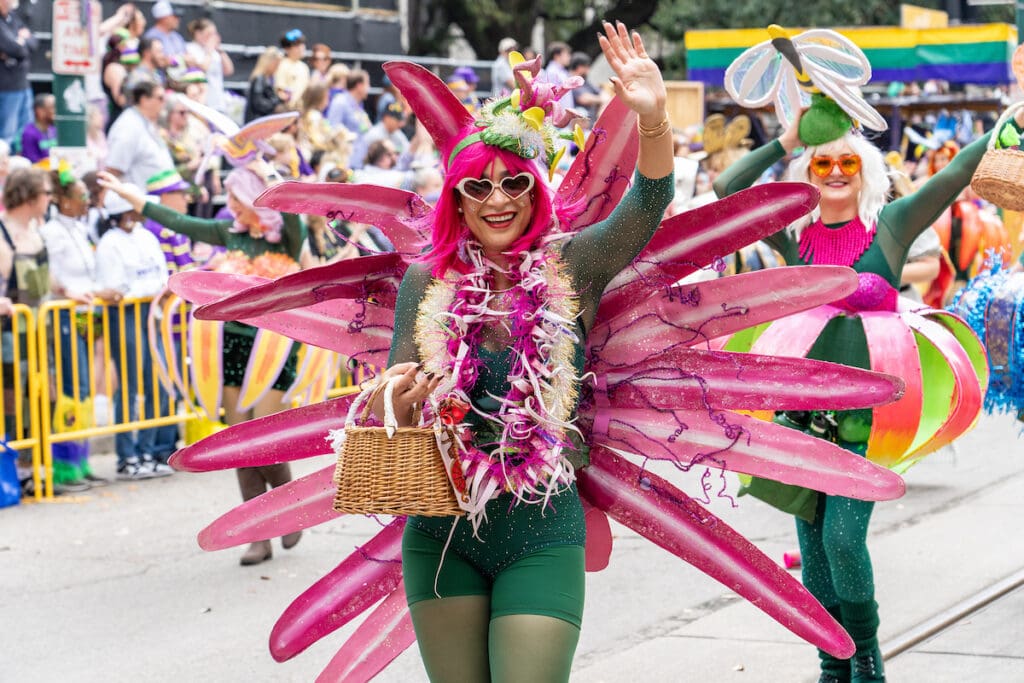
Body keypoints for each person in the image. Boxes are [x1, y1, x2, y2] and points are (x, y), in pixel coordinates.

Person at [378, 21, 673, 681]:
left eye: (513, 183)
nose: (497, 199)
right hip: (441, 530)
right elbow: (392, 395)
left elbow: (650, 200)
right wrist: (399, 393)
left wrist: (652, 118)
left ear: (535, 191)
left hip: (541, 525)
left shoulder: (572, 265)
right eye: (477, 187)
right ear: (457, 200)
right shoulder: (427, 280)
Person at [714, 100, 1024, 683]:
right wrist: (785, 141)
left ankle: (867, 660)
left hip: (869, 422)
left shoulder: (894, 225)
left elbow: (957, 173)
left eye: (848, 163)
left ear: (866, 170)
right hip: (801, 417)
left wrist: (1013, 123)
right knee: (814, 553)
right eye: (822, 163)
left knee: (842, 541)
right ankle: (832, 664)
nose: (835, 172)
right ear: (808, 173)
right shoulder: (794, 238)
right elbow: (729, 188)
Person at [98, 163, 307, 565]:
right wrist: (127, 194)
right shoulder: (228, 233)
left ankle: (289, 510)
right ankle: (257, 535)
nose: (230, 205)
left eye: (236, 197)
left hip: (274, 348)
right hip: (233, 345)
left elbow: (293, 209)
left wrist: (268, 172)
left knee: (264, 441)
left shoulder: (286, 239)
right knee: (239, 442)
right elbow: (178, 221)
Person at [40, 170, 120, 490]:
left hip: (88, 313)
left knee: (85, 388)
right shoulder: (51, 232)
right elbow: (51, 276)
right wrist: (67, 292)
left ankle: (81, 461)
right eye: (81, 196)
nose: (87, 201)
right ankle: (65, 467)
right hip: (65, 314)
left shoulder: (81, 228)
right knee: (73, 386)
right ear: (64, 201)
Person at [94, 186, 174, 480]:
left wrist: (152, 290)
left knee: (159, 381)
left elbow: (161, 277)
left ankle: (149, 450)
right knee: (130, 384)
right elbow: (117, 289)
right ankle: (127, 456)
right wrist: (148, 290)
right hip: (125, 314)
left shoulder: (146, 236)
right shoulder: (109, 243)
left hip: (150, 312)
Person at [106, 80, 176, 190]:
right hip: (136, 197)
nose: (164, 103)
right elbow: (114, 169)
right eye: (160, 98)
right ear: (144, 100)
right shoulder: (128, 126)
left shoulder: (145, 123)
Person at [0, 0, 37, 146]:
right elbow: (14, 49)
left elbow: (33, 43)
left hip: (23, 84)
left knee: (26, 132)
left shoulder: (13, 17)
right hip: (6, 87)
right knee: (7, 135)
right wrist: (21, 40)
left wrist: (20, 43)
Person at [185, 18, 233, 113]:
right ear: (198, 34)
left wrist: (220, 50)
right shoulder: (191, 49)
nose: (213, 37)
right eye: (210, 34)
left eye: (215, 34)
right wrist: (210, 50)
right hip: (203, 101)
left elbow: (229, 70)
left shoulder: (215, 52)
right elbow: (204, 68)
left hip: (218, 101)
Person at [349, 102, 409, 170]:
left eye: (400, 120)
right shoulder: (374, 134)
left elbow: (407, 148)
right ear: (386, 118)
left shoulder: (396, 133)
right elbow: (361, 160)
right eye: (397, 120)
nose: (400, 124)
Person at [325, 69, 371, 137]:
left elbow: (364, 128)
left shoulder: (358, 103)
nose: (369, 88)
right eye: (367, 84)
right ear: (359, 86)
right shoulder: (340, 102)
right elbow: (333, 129)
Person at [244, 47, 283, 122]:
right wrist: (276, 101)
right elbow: (258, 103)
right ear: (269, 62)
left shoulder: (268, 79)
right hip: (257, 121)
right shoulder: (259, 79)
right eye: (276, 64)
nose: (277, 68)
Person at [274, 29, 310, 107]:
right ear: (287, 49)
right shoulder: (282, 65)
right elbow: (280, 91)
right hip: (288, 110)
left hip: (302, 108)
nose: (301, 48)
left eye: (302, 44)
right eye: (297, 46)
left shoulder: (304, 67)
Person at [18, 94, 56, 164]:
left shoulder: (54, 130)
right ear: (40, 111)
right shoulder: (29, 133)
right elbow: (32, 162)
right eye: (52, 107)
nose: (56, 111)